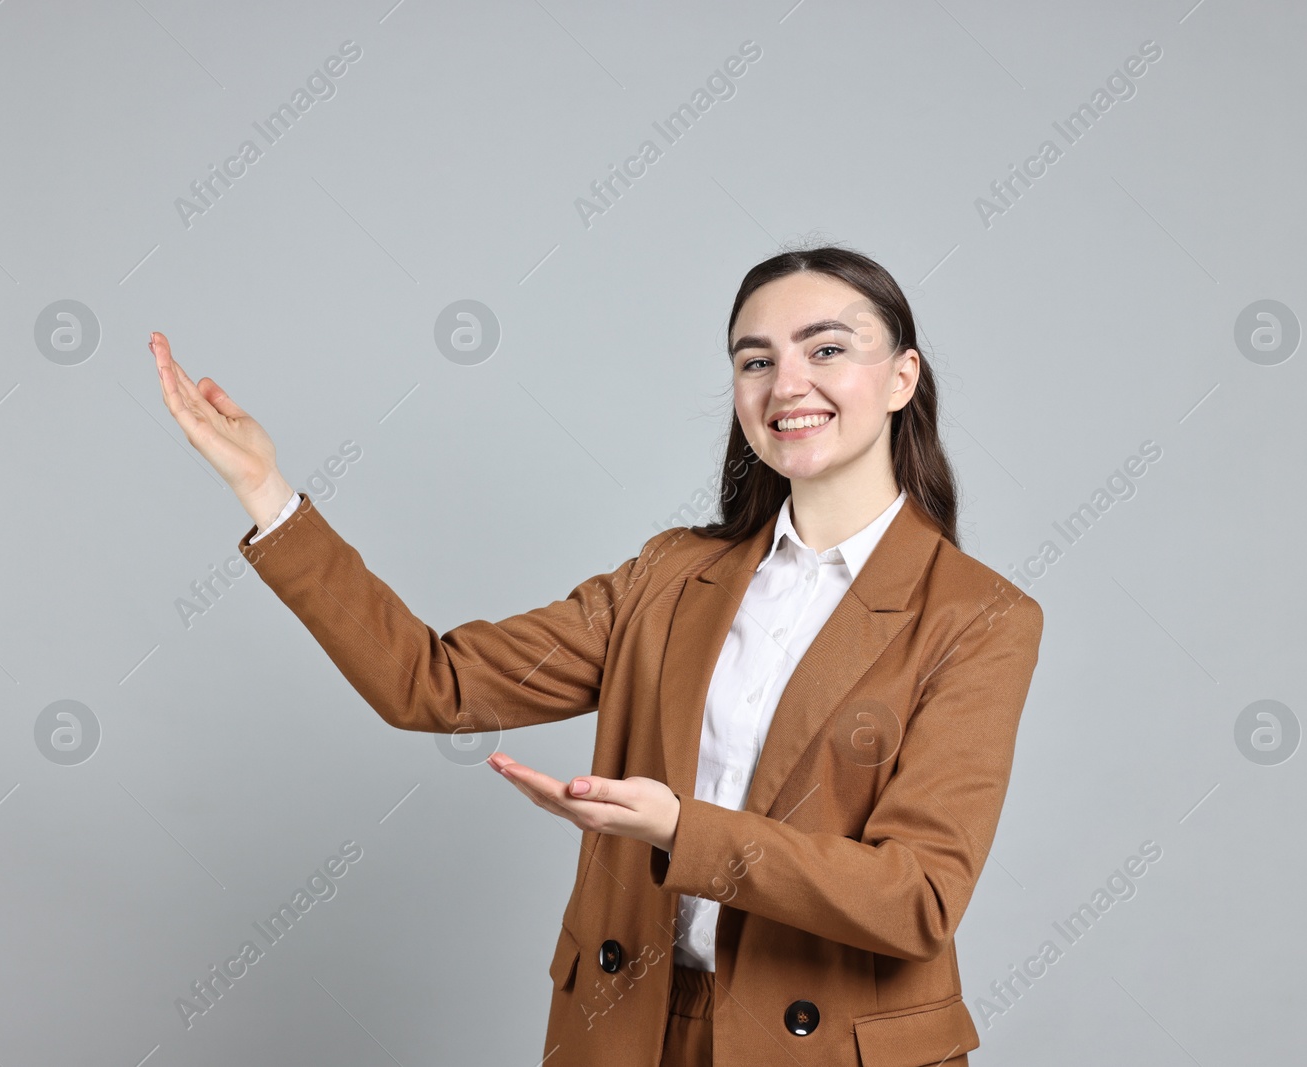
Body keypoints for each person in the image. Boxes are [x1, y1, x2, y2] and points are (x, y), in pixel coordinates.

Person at [151, 244, 1044, 1067]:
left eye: (827, 350)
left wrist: (675, 829)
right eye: (755, 359)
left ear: (901, 377)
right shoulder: (670, 574)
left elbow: (918, 896)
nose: (787, 384)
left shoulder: (980, 616)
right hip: (632, 1026)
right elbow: (433, 683)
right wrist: (267, 493)